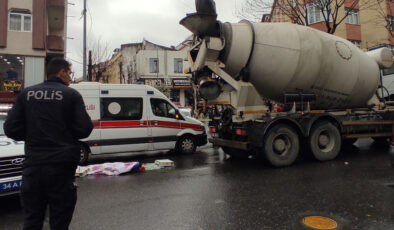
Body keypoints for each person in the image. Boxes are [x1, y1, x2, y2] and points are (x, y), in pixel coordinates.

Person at [4, 58, 93, 230]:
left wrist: (32, 134)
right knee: (59, 221)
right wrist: (65, 132)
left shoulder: (26, 94)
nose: (70, 77)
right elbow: (84, 129)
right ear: (62, 72)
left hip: (33, 167)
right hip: (61, 169)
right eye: (69, 73)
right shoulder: (71, 95)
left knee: (32, 219)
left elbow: (10, 129)